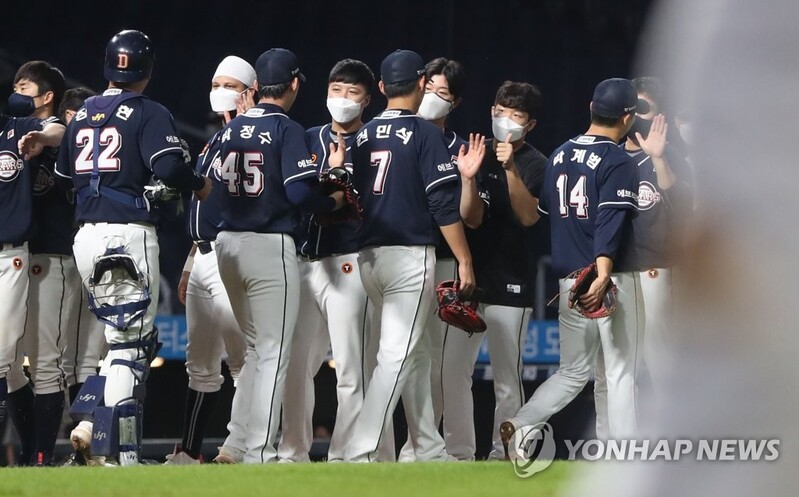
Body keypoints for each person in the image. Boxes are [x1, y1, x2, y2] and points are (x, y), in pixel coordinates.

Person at [53, 29, 212, 466]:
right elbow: (170, 168)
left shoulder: (83, 113)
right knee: (131, 346)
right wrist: (198, 183)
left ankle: (89, 426)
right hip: (126, 233)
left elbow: (65, 179)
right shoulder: (148, 111)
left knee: (125, 341)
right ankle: (122, 455)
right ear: (148, 70)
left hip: (86, 235)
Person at [344, 49, 480, 463]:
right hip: (408, 256)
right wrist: (464, 260)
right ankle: (360, 451)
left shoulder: (362, 135)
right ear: (421, 83)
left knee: (415, 353)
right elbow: (441, 204)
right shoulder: (424, 133)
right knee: (396, 354)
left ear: (381, 87)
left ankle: (429, 448)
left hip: (369, 258)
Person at [212, 48, 346, 464]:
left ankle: (236, 443)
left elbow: (210, 183)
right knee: (272, 351)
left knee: (256, 349)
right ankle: (260, 453)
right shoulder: (286, 128)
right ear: (294, 84)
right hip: (268, 245)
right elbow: (299, 193)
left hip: (226, 244)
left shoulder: (229, 129)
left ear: (255, 87)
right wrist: (333, 199)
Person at [500, 78, 642, 453]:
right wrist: (604, 271)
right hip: (607, 279)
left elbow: (545, 216)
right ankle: (625, 455)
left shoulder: (560, 155)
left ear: (591, 108)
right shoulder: (619, 160)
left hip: (568, 282)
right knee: (620, 372)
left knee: (573, 372)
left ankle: (522, 422)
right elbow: (609, 220)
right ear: (627, 118)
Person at [278, 58, 396, 462]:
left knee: (351, 368)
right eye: (336, 90)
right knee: (295, 365)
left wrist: (339, 174)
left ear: (367, 100)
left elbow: (369, 202)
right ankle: (291, 451)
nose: (342, 98)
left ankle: (347, 456)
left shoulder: (375, 142)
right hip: (305, 260)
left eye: (352, 92)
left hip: (350, 261)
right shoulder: (307, 137)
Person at [452, 80, 548, 460]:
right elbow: (471, 218)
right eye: (501, 112)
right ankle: (458, 451)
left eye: (516, 115)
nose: (506, 120)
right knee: (455, 371)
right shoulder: (475, 151)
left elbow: (528, 216)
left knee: (507, 379)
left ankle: (505, 452)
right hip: (471, 280)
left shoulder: (537, 163)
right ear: (491, 111)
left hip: (512, 281)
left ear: (530, 124)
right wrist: (468, 178)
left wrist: (510, 169)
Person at [164, 56, 253, 465]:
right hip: (202, 254)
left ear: (250, 91)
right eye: (217, 84)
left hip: (232, 251)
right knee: (199, 363)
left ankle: (242, 447)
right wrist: (188, 265)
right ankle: (189, 451)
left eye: (231, 85)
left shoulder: (253, 136)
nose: (220, 91)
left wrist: (247, 121)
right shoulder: (213, 141)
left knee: (242, 360)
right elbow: (203, 209)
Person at [594, 77, 693, 439]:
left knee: (659, 358)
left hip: (655, 267)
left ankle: (672, 440)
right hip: (616, 269)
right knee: (611, 365)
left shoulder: (669, 154)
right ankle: (610, 443)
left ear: (659, 114)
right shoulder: (607, 153)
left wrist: (659, 157)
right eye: (632, 106)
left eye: (645, 108)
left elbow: (681, 204)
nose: (637, 114)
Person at [397, 57, 486, 462]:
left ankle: (436, 449)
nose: (432, 96)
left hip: (445, 261)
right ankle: (414, 446)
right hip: (401, 257)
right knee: (407, 358)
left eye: (443, 92)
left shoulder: (460, 148)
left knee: (440, 365)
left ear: (455, 102)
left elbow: (473, 218)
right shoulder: (397, 136)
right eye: (429, 87)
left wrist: (467, 178)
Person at [1, 60, 77, 467]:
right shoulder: (10, 132)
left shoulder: (62, 135)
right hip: (21, 254)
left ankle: (42, 459)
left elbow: (59, 131)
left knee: (46, 361)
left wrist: (44, 137)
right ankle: (32, 454)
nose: (17, 91)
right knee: (10, 364)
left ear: (47, 96)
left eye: (25, 87)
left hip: (51, 256)